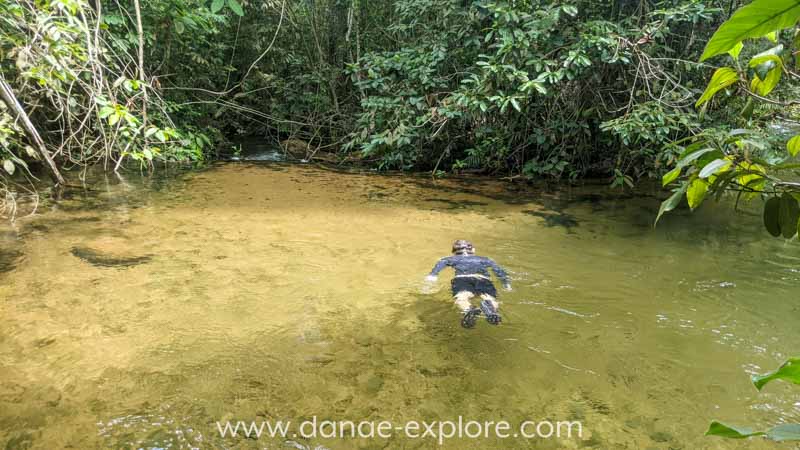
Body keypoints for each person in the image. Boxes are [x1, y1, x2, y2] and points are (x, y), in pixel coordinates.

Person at [425, 240, 512, 328]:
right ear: (473, 250)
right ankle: (491, 309)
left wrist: (433, 275)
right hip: (483, 279)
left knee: (462, 297)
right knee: (489, 297)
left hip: (462, 279)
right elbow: (499, 271)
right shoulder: (485, 259)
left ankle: (469, 309)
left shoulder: (449, 258)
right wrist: (506, 283)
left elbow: (440, 265)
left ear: (454, 252)